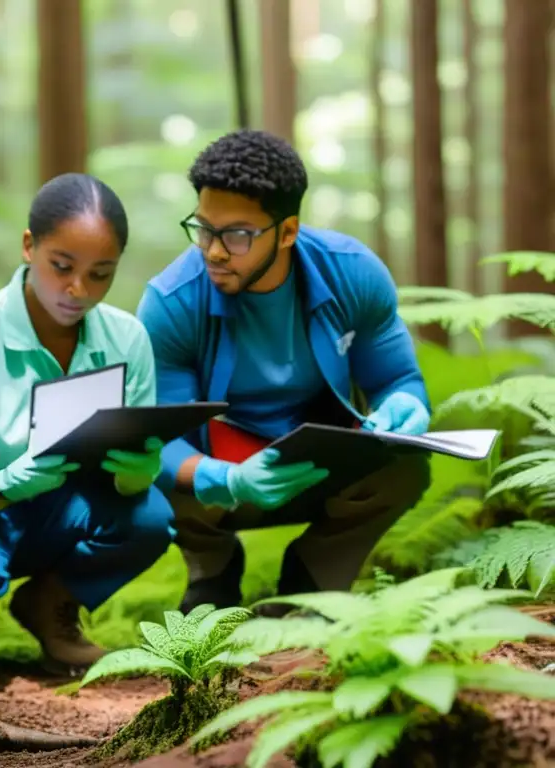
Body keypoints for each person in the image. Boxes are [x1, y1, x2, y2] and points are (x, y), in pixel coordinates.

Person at [136, 129, 432, 615]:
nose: (212, 251)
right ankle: (212, 574)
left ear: (288, 231)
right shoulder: (171, 301)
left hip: (320, 456)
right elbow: (157, 439)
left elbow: (398, 380)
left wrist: (408, 406)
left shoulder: (354, 273)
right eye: (203, 228)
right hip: (220, 467)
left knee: (405, 469)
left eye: (236, 235)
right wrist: (226, 480)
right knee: (148, 478)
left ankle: (314, 582)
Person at [0, 173, 176, 677]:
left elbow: (135, 460)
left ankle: (52, 605)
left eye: (101, 274)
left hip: (71, 504)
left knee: (151, 518)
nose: (78, 289)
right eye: (61, 267)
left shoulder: (128, 339)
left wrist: (138, 471)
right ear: (28, 247)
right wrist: (7, 482)